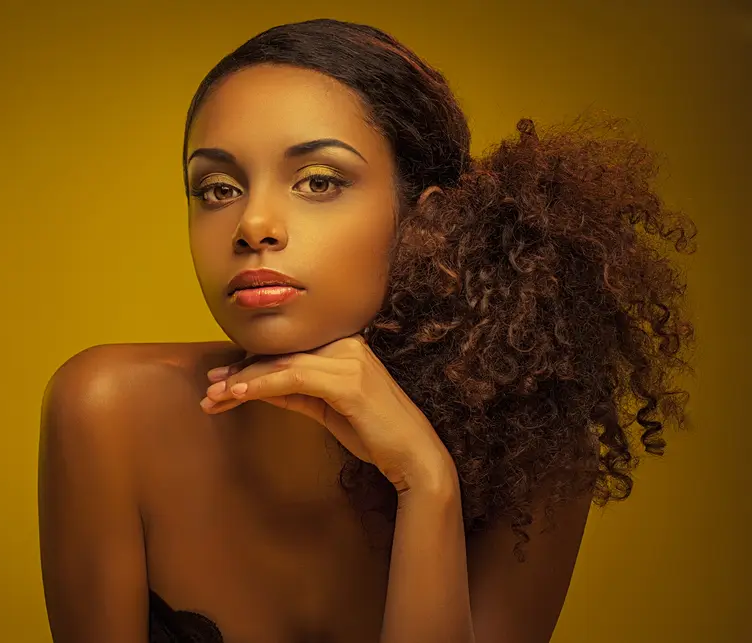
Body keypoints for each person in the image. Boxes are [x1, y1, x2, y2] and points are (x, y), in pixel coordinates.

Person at [37, 18, 696, 643]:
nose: (252, 224)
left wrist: (425, 479)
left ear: (424, 221)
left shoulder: (534, 453)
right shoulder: (108, 411)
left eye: (318, 181)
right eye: (217, 188)